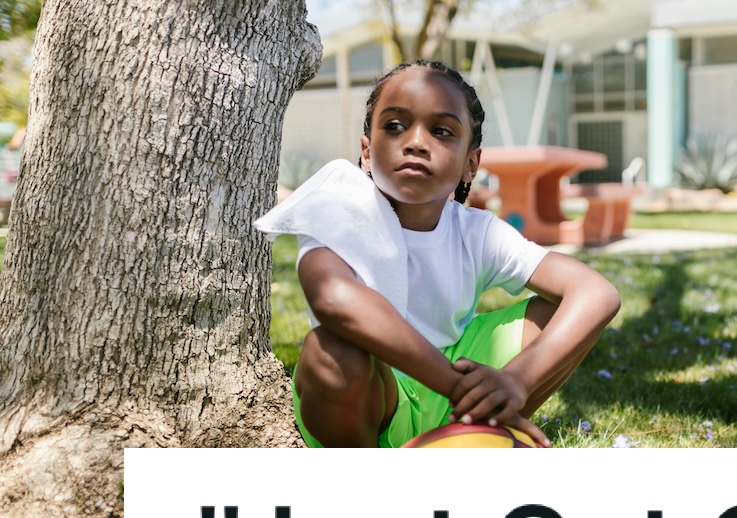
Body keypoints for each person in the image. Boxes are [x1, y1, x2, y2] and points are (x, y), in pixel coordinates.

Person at [255, 60, 620, 448]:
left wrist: (516, 379)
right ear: (366, 150)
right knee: (332, 350)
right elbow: (334, 298)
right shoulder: (338, 204)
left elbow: (597, 293)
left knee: (558, 316)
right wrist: (455, 384)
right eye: (394, 126)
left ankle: (480, 431)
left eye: (442, 131)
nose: (415, 142)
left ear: (470, 164)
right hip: (376, 394)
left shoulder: (476, 230)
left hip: (455, 393)